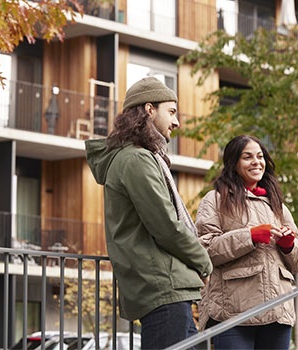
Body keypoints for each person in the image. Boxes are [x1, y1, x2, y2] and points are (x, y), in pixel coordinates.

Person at [85, 77, 213, 349]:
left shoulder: (140, 158)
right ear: (149, 109)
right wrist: (204, 261)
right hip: (163, 287)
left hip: (164, 286)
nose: (176, 122)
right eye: (171, 111)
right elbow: (166, 225)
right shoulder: (137, 160)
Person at [195, 135, 298, 350]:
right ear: (233, 163)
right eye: (247, 157)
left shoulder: (277, 205)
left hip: (278, 312)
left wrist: (287, 245)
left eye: (260, 156)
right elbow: (205, 250)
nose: (256, 162)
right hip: (234, 313)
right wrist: (250, 236)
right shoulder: (215, 199)